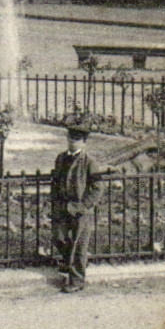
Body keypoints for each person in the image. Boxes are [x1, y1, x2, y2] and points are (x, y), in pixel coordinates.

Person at [50, 124, 104, 293]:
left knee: (79, 246)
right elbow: (56, 182)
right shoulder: (61, 158)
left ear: (84, 142)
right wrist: (54, 202)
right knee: (59, 237)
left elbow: (97, 188)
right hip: (63, 207)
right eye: (71, 139)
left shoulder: (89, 162)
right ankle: (68, 265)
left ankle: (77, 280)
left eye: (77, 140)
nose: (73, 142)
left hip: (81, 210)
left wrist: (83, 206)